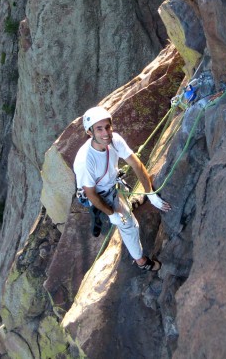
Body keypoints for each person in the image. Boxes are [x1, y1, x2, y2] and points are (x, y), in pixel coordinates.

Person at [73, 106, 172, 271]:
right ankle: (141, 262)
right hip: (99, 194)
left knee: (125, 204)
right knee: (130, 225)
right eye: (99, 129)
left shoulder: (115, 140)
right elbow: (90, 193)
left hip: (111, 182)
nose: (106, 133)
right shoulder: (85, 160)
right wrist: (112, 214)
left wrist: (151, 194)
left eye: (107, 127)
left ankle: (126, 204)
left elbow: (136, 164)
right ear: (90, 132)